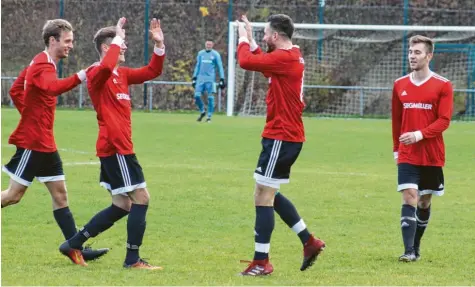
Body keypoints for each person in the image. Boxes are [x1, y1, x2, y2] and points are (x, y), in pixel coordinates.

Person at [59, 17, 165, 270]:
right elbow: (106, 67)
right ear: (107, 48)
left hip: (117, 147)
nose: (124, 47)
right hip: (116, 148)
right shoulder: (98, 72)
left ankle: (73, 243)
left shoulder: (123, 74)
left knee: (123, 204)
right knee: (141, 198)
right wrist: (118, 36)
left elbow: (152, 71)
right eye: (120, 43)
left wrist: (159, 45)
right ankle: (132, 259)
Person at [1, 19, 107, 261]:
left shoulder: (42, 62)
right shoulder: (42, 65)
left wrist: (31, 115)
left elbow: (16, 90)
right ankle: (75, 246)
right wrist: (83, 75)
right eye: (67, 41)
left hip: (45, 142)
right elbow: (52, 88)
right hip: (34, 143)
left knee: (60, 195)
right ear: (52, 40)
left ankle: (75, 247)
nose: (71, 45)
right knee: (13, 196)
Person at [235, 14, 325, 276]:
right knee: (267, 194)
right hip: (285, 136)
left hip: (281, 136)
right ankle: (309, 242)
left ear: (275, 36)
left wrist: (243, 38)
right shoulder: (292, 54)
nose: (263, 38)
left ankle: (261, 262)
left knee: (262, 196)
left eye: (264, 34)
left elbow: (245, 62)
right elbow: (264, 65)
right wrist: (252, 41)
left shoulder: (285, 58)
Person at [392, 35, 453, 262]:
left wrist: (418, 134)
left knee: (424, 202)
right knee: (409, 197)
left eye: (417, 52)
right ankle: (407, 251)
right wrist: (396, 149)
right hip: (407, 154)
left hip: (431, 154)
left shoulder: (443, 85)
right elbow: (397, 121)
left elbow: (444, 120)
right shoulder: (400, 84)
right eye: (410, 52)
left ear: (429, 56)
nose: (412, 56)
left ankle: (416, 247)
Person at [191, 39, 225, 123]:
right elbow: (197, 66)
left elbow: (220, 67)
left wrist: (222, 78)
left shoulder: (215, 54)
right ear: (205, 44)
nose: (208, 46)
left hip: (210, 79)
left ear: (212, 45)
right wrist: (194, 77)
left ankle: (209, 116)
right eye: (207, 44)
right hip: (200, 79)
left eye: (210, 44)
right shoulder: (200, 54)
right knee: (197, 96)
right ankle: (202, 111)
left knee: (210, 97)